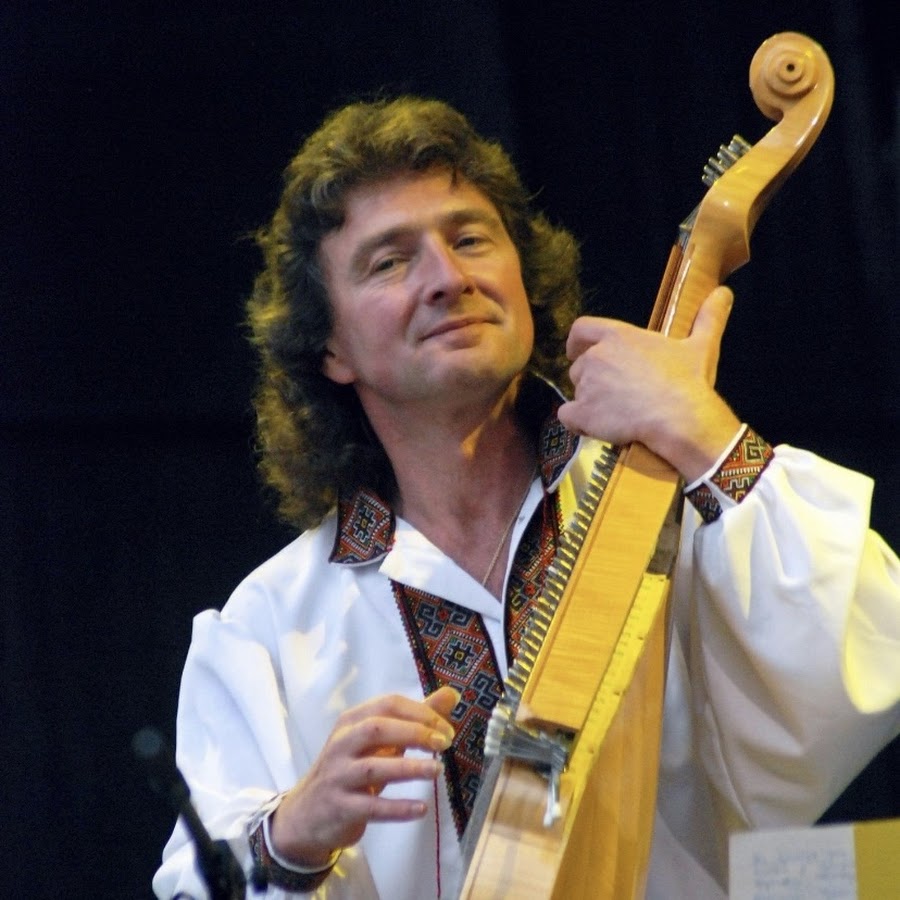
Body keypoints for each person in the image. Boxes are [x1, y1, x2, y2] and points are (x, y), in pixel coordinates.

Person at [153, 96, 900, 899]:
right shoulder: (271, 626)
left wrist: (706, 435)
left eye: (470, 239)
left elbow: (870, 653)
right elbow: (202, 880)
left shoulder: (671, 498)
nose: (448, 279)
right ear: (330, 346)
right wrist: (293, 836)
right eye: (390, 262)